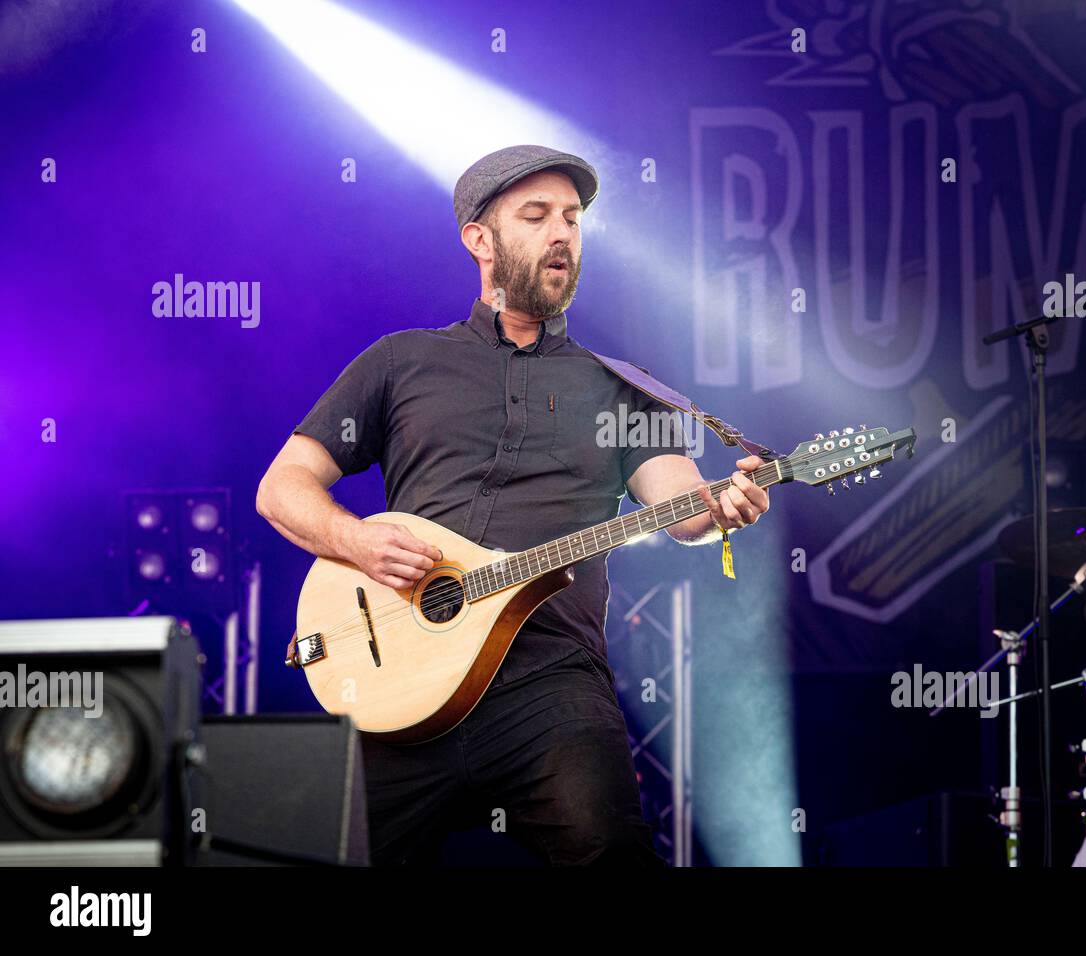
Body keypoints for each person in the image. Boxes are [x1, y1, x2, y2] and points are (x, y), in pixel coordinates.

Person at [256, 145, 769, 865]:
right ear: (479, 239)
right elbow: (282, 489)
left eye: (572, 218)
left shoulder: (623, 386)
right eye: (537, 216)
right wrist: (359, 544)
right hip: (401, 679)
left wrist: (724, 502)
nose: (562, 232)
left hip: (551, 683)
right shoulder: (401, 363)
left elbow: (679, 507)